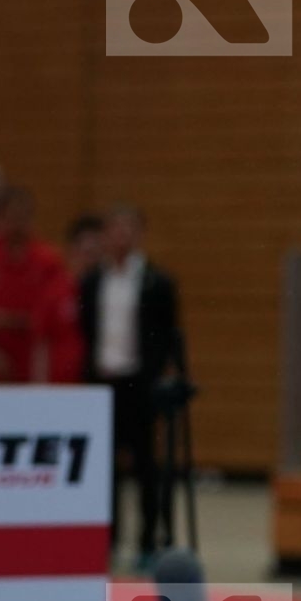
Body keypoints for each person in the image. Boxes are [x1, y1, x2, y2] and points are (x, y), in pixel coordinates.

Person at [78, 204, 182, 562]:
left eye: (128, 229)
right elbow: (86, 330)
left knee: (145, 465)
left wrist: (163, 375)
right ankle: (107, 540)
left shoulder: (157, 282)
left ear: (139, 234)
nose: (121, 236)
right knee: (104, 467)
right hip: (103, 382)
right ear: (106, 235)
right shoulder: (93, 281)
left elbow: (168, 335)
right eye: (115, 229)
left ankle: (147, 540)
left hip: (140, 382)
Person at [0, 187, 79, 384]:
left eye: (23, 216)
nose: (18, 223)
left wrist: (4, 319)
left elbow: (53, 316)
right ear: (2, 218)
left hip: (32, 360)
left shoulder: (47, 260)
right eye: (13, 216)